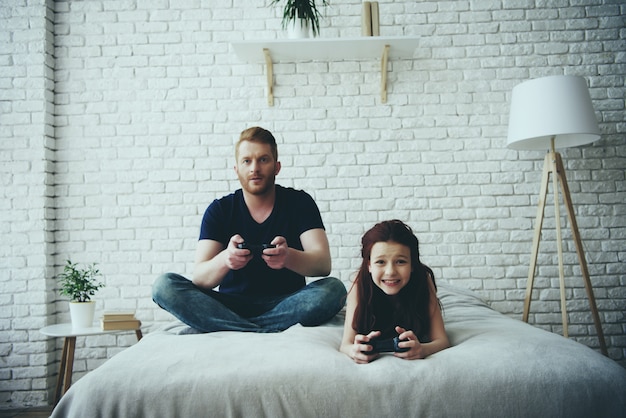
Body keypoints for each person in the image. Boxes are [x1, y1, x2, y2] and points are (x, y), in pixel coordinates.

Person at [152, 126, 346, 333]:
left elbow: (323, 264)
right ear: (237, 169)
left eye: (263, 159)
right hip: (228, 305)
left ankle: (237, 329)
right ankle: (260, 329)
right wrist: (226, 258)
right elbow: (200, 277)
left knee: (333, 289)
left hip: (287, 303)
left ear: (277, 167)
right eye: (247, 161)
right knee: (164, 286)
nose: (255, 168)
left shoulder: (300, 203)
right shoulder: (219, 210)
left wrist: (288, 257)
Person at [340, 220, 450, 363]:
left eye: (401, 262)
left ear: (412, 265)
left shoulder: (423, 279)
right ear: (369, 265)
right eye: (380, 262)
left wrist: (422, 349)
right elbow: (345, 345)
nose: (390, 272)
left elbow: (442, 341)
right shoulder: (359, 282)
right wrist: (354, 351)